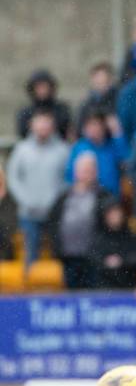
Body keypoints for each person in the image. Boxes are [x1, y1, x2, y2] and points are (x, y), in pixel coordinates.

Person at [7, 110, 69, 267]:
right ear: (31, 125)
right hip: (28, 213)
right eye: (39, 122)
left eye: (46, 123)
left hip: (54, 213)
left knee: (58, 254)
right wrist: (26, 200)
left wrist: (55, 201)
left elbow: (67, 179)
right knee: (30, 254)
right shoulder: (21, 149)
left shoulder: (62, 150)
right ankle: (30, 287)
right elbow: (13, 178)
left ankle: (60, 288)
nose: (42, 127)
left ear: (52, 126)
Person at [48, 153, 111, 289]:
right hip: (68, 256)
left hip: (94, 257)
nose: (86, 174)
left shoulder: (103, 195)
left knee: (92, 292)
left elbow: (110, 225)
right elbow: (53, 222)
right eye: (83, 170)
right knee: (72, 292)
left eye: (89, 170)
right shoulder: (64, 196)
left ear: (95, 172)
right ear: (76, 172)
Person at [16, 69, 72, 140]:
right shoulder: (25, 111)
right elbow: (22, 132)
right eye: (38, 87)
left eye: (44, 86)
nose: (42, 90)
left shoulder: (61, 109)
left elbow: (64, 130)